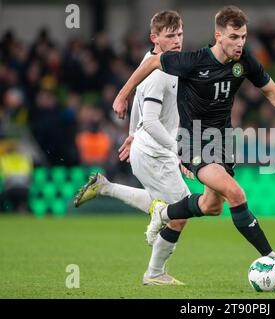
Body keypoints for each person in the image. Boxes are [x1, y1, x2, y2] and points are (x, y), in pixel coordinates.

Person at [113, 6, 275, 277]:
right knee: (236, 193)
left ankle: (163, 215)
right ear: (218, 36)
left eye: (243, 37)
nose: (240, 43)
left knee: (210, 207)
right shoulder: (193, 61)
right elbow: (152, 62)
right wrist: (123, 95)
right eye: (234, 37)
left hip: (222, 141)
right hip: (193, 141)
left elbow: (272, 92)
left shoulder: (245, 62)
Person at [74, 10, 194, 285]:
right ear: (155, 38)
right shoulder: (159, 73)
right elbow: (150, 120)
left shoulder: (152, 63)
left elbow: (138, 104)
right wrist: (178, 153)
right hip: (154, 152)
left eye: (180, 34)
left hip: (148, 148)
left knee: (175, 208)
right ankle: (154, 273)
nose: (177, 40)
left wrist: (131, 134)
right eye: (170, 36)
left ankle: (106, 187)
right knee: (182, 212)